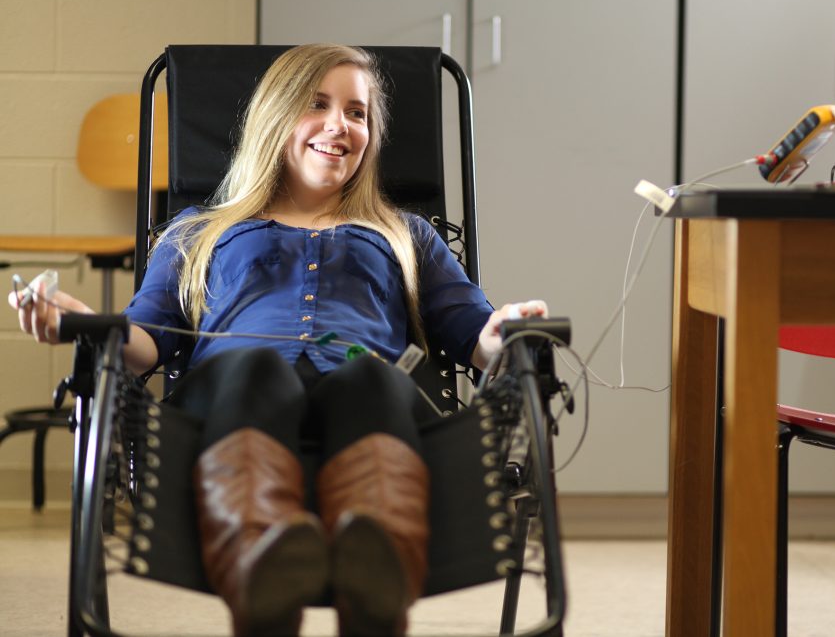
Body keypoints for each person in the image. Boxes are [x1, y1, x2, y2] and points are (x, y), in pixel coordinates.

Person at [8, 44, 546, 637]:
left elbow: (477, 333)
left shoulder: (405, 234)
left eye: (358, 112)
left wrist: (508, 329)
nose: (340, 125)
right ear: (275, 116)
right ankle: (262, 562)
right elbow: (145, 342)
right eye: (316, 104)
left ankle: (377, 560)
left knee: (372, 375)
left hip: (375, 412)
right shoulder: (200, 231)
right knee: (253, 368)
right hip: (227, 411)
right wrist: (87, 323)